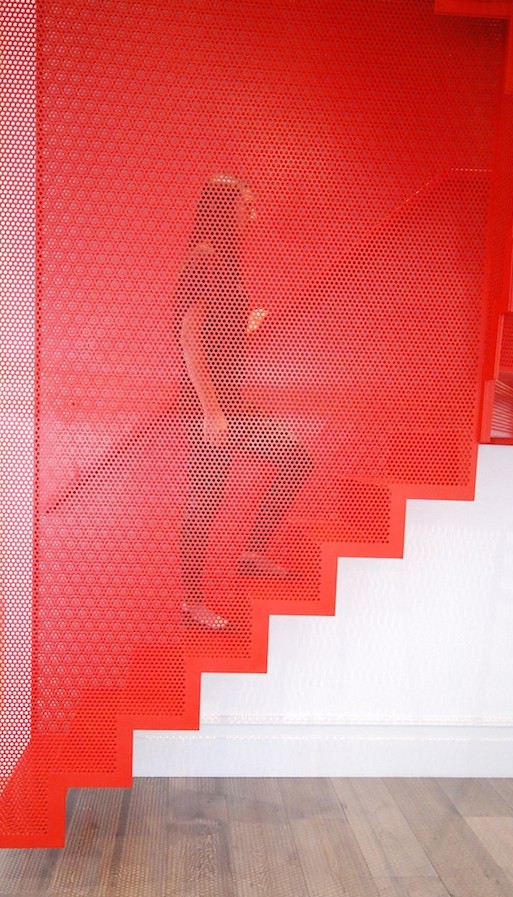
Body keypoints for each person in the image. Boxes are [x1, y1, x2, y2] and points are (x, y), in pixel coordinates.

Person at [175, 174, 312, 629]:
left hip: (234, 403)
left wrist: (245, 323)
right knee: (204, 502)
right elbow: (190, 340)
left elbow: (216, 328)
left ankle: (252, 552)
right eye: (246, 205)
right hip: (209, 408)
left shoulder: (226, 263)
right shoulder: (204, 260)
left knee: (295, 459)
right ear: (223, 209)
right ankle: (192, 602)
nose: (253, 215)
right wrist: (212, 414)